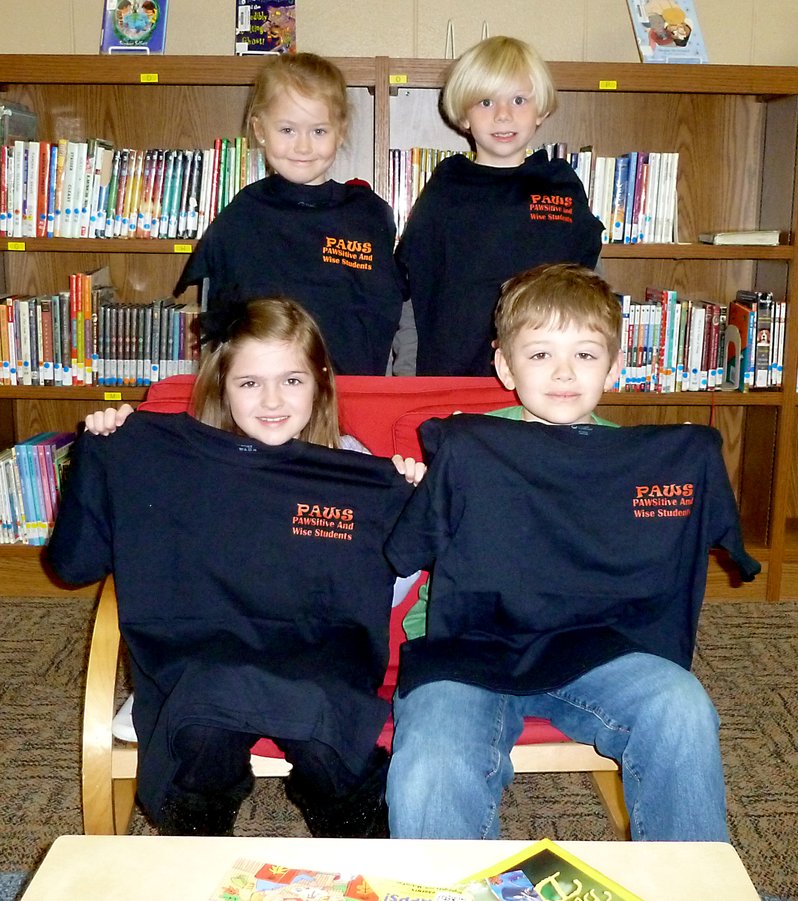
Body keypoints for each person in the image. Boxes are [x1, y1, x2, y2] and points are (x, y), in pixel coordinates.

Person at [384, 263, 761, 841]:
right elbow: (401, 555)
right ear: (505, 365)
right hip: (468, 647)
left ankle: (691, 884)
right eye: (539, 355)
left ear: (614, 366)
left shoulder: (649, 466)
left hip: (597, 644)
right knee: (432, 765)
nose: (563, 373)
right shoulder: (468, 448)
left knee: (681, 708)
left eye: (585, 355)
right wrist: (419, 492)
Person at [48, 298, 419, 839]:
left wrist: (401, 510)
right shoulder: (172, 466)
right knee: (202, 725)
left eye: (291, 380)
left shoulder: (355, 468)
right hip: (202, 658)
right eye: (249, 384)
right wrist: (103, 455)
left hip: (319, 659)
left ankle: (365, 847)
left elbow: (380, 589)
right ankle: (196, 850)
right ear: (222, 385)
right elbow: (74, 564)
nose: (272, 401)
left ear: (319, 381)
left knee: (324, 736)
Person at [174, 52, 405, 376]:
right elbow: (219, 325)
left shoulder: (368, 215)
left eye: (319, 131)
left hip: (349, 394)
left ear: (340, 131)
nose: (303, 146)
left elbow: (389, 315)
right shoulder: (242, 217)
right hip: (266, 399)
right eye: (287, 130)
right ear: (260, 129)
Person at [393, 35, 604, 377]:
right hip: (455, 377)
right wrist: (409, 376)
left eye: (519, 100)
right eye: (486, 102)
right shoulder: (447, 192)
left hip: (545, 380)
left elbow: (590, 287)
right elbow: (414, 291)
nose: (503, 116)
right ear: (464, 115)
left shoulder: (560, 187)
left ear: (542, 110)